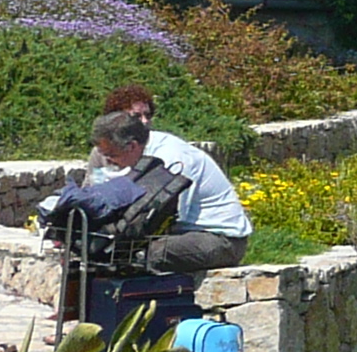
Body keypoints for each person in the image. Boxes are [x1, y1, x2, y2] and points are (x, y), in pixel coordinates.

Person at [94, 86, 253, 273]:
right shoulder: (125, 147)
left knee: (145, 253)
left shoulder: (172, 158)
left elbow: (167, 216)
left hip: (221, 240)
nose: (110, 161)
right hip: (185, 233)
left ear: (132, 146)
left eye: (113, 156)